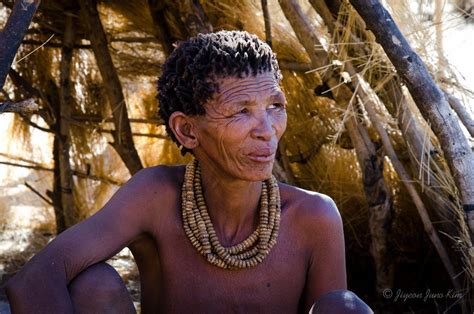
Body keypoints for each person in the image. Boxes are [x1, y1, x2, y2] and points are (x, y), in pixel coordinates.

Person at [6, 30, 372, 313]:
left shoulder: (313, 217)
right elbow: (35, 278)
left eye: (275, 105)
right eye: (241, 111)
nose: (267, 128)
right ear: (187, 130)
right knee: (92, 285)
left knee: (343, 305)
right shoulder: (156, 197)